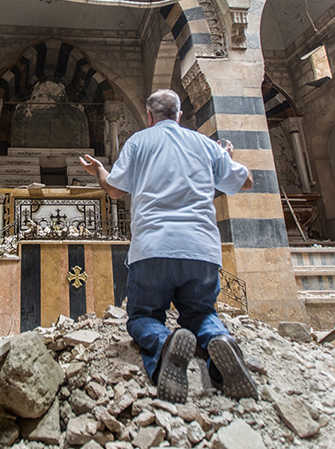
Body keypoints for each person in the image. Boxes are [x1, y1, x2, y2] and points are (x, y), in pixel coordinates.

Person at [79, 89, 258, 403]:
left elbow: (115, 191)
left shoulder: (139, 142)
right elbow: (246, 182)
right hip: (202, 251)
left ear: (149, 117)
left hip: (153, 249)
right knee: (201, 312)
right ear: (180, 115)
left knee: (143, 317)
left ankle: (164, 344)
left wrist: (99, 171)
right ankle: (219, 341)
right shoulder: (206, 144)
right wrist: (225, 160)